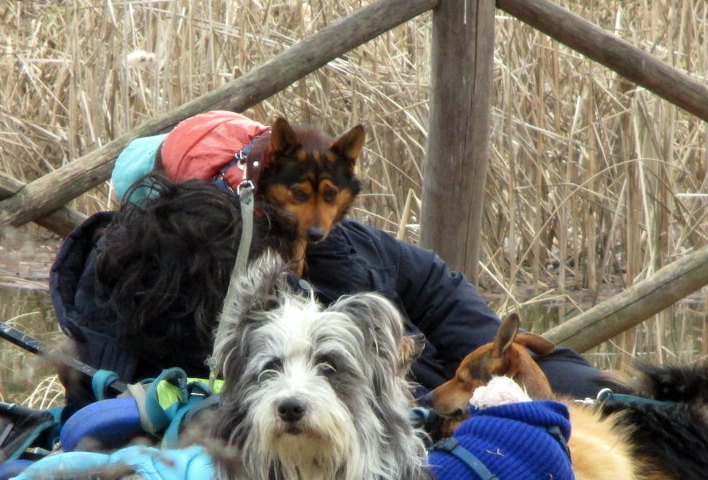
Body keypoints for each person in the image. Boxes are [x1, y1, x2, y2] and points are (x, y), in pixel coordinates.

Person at [49, 173, 609, 410]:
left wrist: (590, 393)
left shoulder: (345, 245)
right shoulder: (199, 293)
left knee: (608, 400)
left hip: (453, 396)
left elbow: (457, 312)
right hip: (418, 419)